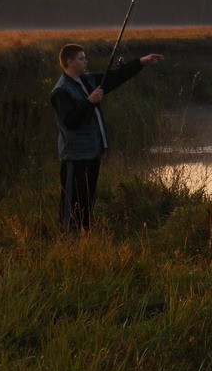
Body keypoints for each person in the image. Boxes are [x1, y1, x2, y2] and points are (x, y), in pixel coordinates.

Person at [50, 43, 163, 233]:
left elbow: (113, 79)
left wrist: (140, 62)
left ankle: (84, 237)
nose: (86, 61)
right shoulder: (60, 91)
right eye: (81, 58)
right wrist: (89, 102)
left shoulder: (86, 81)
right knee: (72, 202)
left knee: (87, 200)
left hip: (92, 154)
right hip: (75, 157)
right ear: (69, 62)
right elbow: (69, 121)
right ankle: (67, 239)